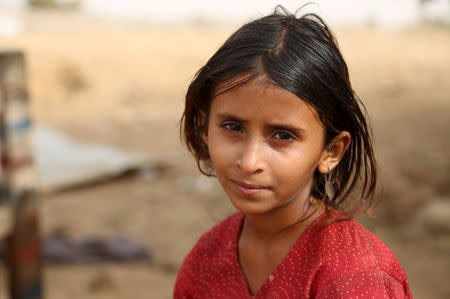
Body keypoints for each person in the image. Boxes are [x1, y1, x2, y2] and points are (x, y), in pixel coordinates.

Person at [174, 6, 412, 299]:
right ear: (204, 126)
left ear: (331, 151)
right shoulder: (207, 259)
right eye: (233, 127)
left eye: (283, 136)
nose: (250, 162)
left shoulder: (356, 278)